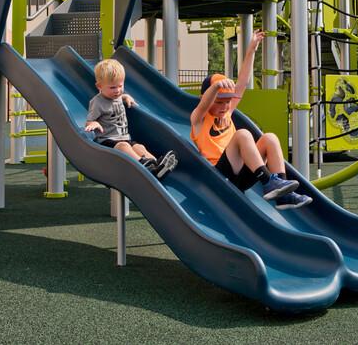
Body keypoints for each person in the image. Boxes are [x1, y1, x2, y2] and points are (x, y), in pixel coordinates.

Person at [190, 30, 312, 210]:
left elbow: (242, 82)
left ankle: (283, 194)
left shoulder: (228, 113)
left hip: (241, 178)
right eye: (219, 102)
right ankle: (268, 181)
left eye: (227, 102)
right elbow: (203, 104)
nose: (224, 107)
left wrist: (251, 50)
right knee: (242, 134)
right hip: (218, 178)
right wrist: (215, 86)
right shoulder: (198, 120)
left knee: (270, 137)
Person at [85, 59, 177, 179]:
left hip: (125, 138)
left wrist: (126, 97)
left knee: (139, 147)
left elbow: (119, 97)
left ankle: (157, 165)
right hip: (107, 141)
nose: (117, 90)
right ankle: (144, 165)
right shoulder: (97, 102)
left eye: (120, 86)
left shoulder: (117, 96)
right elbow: (89, 120)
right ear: (99, 86)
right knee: (124, 146)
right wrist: (94, 123)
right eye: (113, 87)